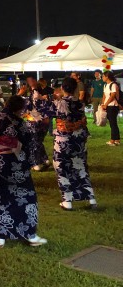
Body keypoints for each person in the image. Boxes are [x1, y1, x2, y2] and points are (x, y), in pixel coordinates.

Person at [0, 95, 47, 248]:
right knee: (26, 197)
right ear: (20, 109)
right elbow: (30, 143)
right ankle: (29, 234)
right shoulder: (20, 123)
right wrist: (31, 161)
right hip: (16, 163)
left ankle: (0, 236)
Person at [35, 77, 98, 210]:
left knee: (62, 167)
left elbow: (41, 109)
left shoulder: (60, 104)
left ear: (62, 88)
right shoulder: (80, 103)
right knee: (80, 166)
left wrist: (38, 95)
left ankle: (67, 201)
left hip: (64, 140)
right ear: (75, 89)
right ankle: (91, 199)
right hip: (79, 139)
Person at [101, 71, 120, 146]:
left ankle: (113, 140)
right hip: (108, 106)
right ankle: (117, 139)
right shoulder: (105, 85)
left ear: (107, 77)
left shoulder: (113, 85)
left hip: (113, 106)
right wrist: (103, 104)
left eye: (103, 76)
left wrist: (106, 104)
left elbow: (112, 96)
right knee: (113, 123)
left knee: (113, 123)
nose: (102, 77)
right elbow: (104, 95)